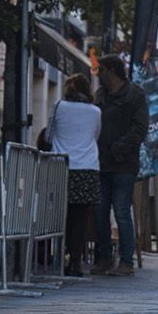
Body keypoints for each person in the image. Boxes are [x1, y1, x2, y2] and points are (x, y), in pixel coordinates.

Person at [94, 54, 148, 277]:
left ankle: (126, 261)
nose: (98, 75)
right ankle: (104, 258)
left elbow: (140, 128)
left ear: (113, 71)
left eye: (101, 70)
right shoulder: (100, 95)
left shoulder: (134, 94)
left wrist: (119, 148)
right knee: (100, 212)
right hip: (100, 162)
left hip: (124, 164)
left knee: (122, 212)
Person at [47, 73, 101, 277]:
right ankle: (76, 262)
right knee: (81, 218)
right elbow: (95, 135)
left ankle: (60, 256)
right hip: (88, 167)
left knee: (60, 214)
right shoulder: (96, 111)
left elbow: (49, 135)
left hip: (63, 165)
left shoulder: (59, 106)